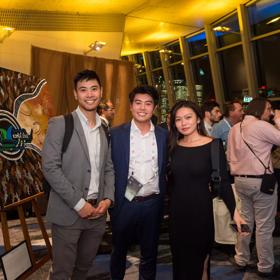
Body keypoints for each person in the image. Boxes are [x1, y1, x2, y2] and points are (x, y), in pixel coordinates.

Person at [42, 69, 114, 280]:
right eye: (83, 90)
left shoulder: (104, 128)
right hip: (68, 213)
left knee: (83, 270)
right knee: (63, 273)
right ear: (75, 94)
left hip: (98, 214)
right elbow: (50, 168)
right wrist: (78, 204)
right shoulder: (60, 124)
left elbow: (108, 167)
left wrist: (108, 199)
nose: (89, 94)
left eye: (93, 89)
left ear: (100, 92)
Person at [168, 100, 246, 280]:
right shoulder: (172, 146)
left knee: (201, 262)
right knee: (180, 263)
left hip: (201, 214)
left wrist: (235, 212)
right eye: (178, 119)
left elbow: (224, 183)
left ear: (198, 119)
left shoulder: (213, 145)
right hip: (177, 215)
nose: (183, 123)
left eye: (188, 117)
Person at [109, 85, 168, 280]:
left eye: (148, 103)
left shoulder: (164, 135)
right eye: (138, 103)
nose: (143, 108)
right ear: (131, 106)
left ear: (155, 107)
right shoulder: (116, 134)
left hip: (153, 202)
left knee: (150, 253)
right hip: (125, 201)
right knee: (119, 251)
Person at [227, 97, 280, 277]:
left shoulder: (234, 129)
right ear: (259, 109)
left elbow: (229, 156)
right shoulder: (260, 126)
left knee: (245, 222)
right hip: (260, 181)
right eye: (269, 109)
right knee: (264, 226)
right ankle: (265, 266)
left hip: (240, 181)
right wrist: (278, 120)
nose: (271, 112)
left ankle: (241, 259)